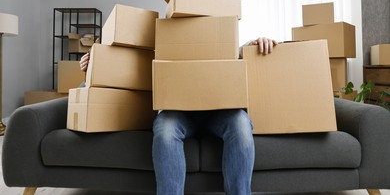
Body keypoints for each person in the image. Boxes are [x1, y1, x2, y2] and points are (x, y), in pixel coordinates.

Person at [79, 37, 278, 195]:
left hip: (221, 111)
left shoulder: (220, 33)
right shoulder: (165, 40)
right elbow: (130, 66)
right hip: (178, 112)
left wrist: (254, 45)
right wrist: (96, 66)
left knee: (241, 126)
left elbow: (236, 55)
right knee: (165, 130)